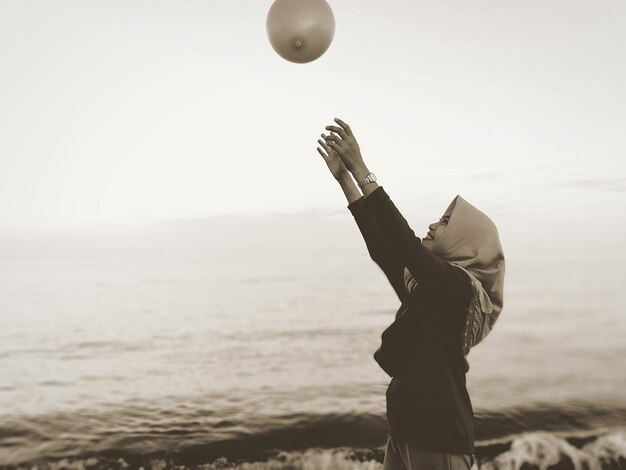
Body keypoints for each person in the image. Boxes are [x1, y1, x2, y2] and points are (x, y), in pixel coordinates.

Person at [316, 118, 505, 470]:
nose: (434, 225)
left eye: (446, 222)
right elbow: (384, 251)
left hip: (440, 441)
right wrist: (345, 180)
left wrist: (362, 169)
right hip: (405, 434)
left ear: (467, 239)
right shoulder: (428, 291)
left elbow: (404, 244)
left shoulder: (458, 292)